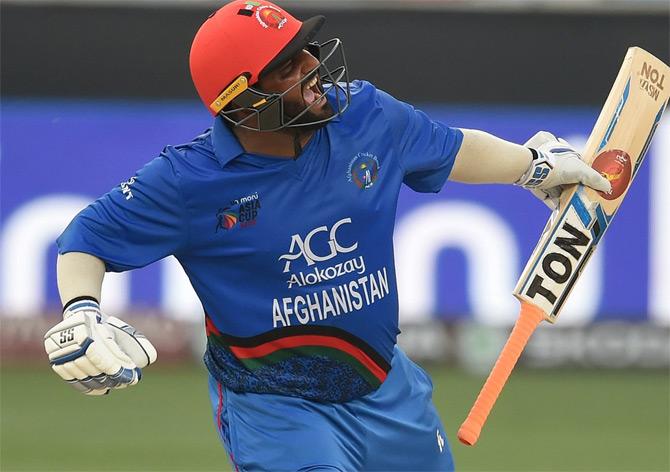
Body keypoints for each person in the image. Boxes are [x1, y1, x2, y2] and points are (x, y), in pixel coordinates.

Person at [43, 1, 611, 470]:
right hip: (275, 408)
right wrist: (81, 311)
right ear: (240, 101)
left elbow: (453, 146)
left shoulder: (365, 114)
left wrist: (533, 165)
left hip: (387, 386)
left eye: (305, 51)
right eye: (286, 67)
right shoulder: (187, 181)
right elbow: (86, 237)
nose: (310, 67)